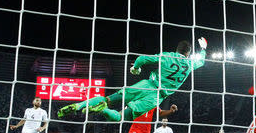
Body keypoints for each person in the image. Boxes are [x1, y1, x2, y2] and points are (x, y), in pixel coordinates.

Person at [58, 38, 207, 122]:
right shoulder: (190, 64)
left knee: (108, 98)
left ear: (177, 50)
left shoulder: (167, 55)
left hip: (145, 84)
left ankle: (78, 106)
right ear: (188, 53)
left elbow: (142, 59)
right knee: (119, 117)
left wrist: (136, 69)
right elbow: (201, 61)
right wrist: (204, 49)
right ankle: (103, 110)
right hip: (155, 97)